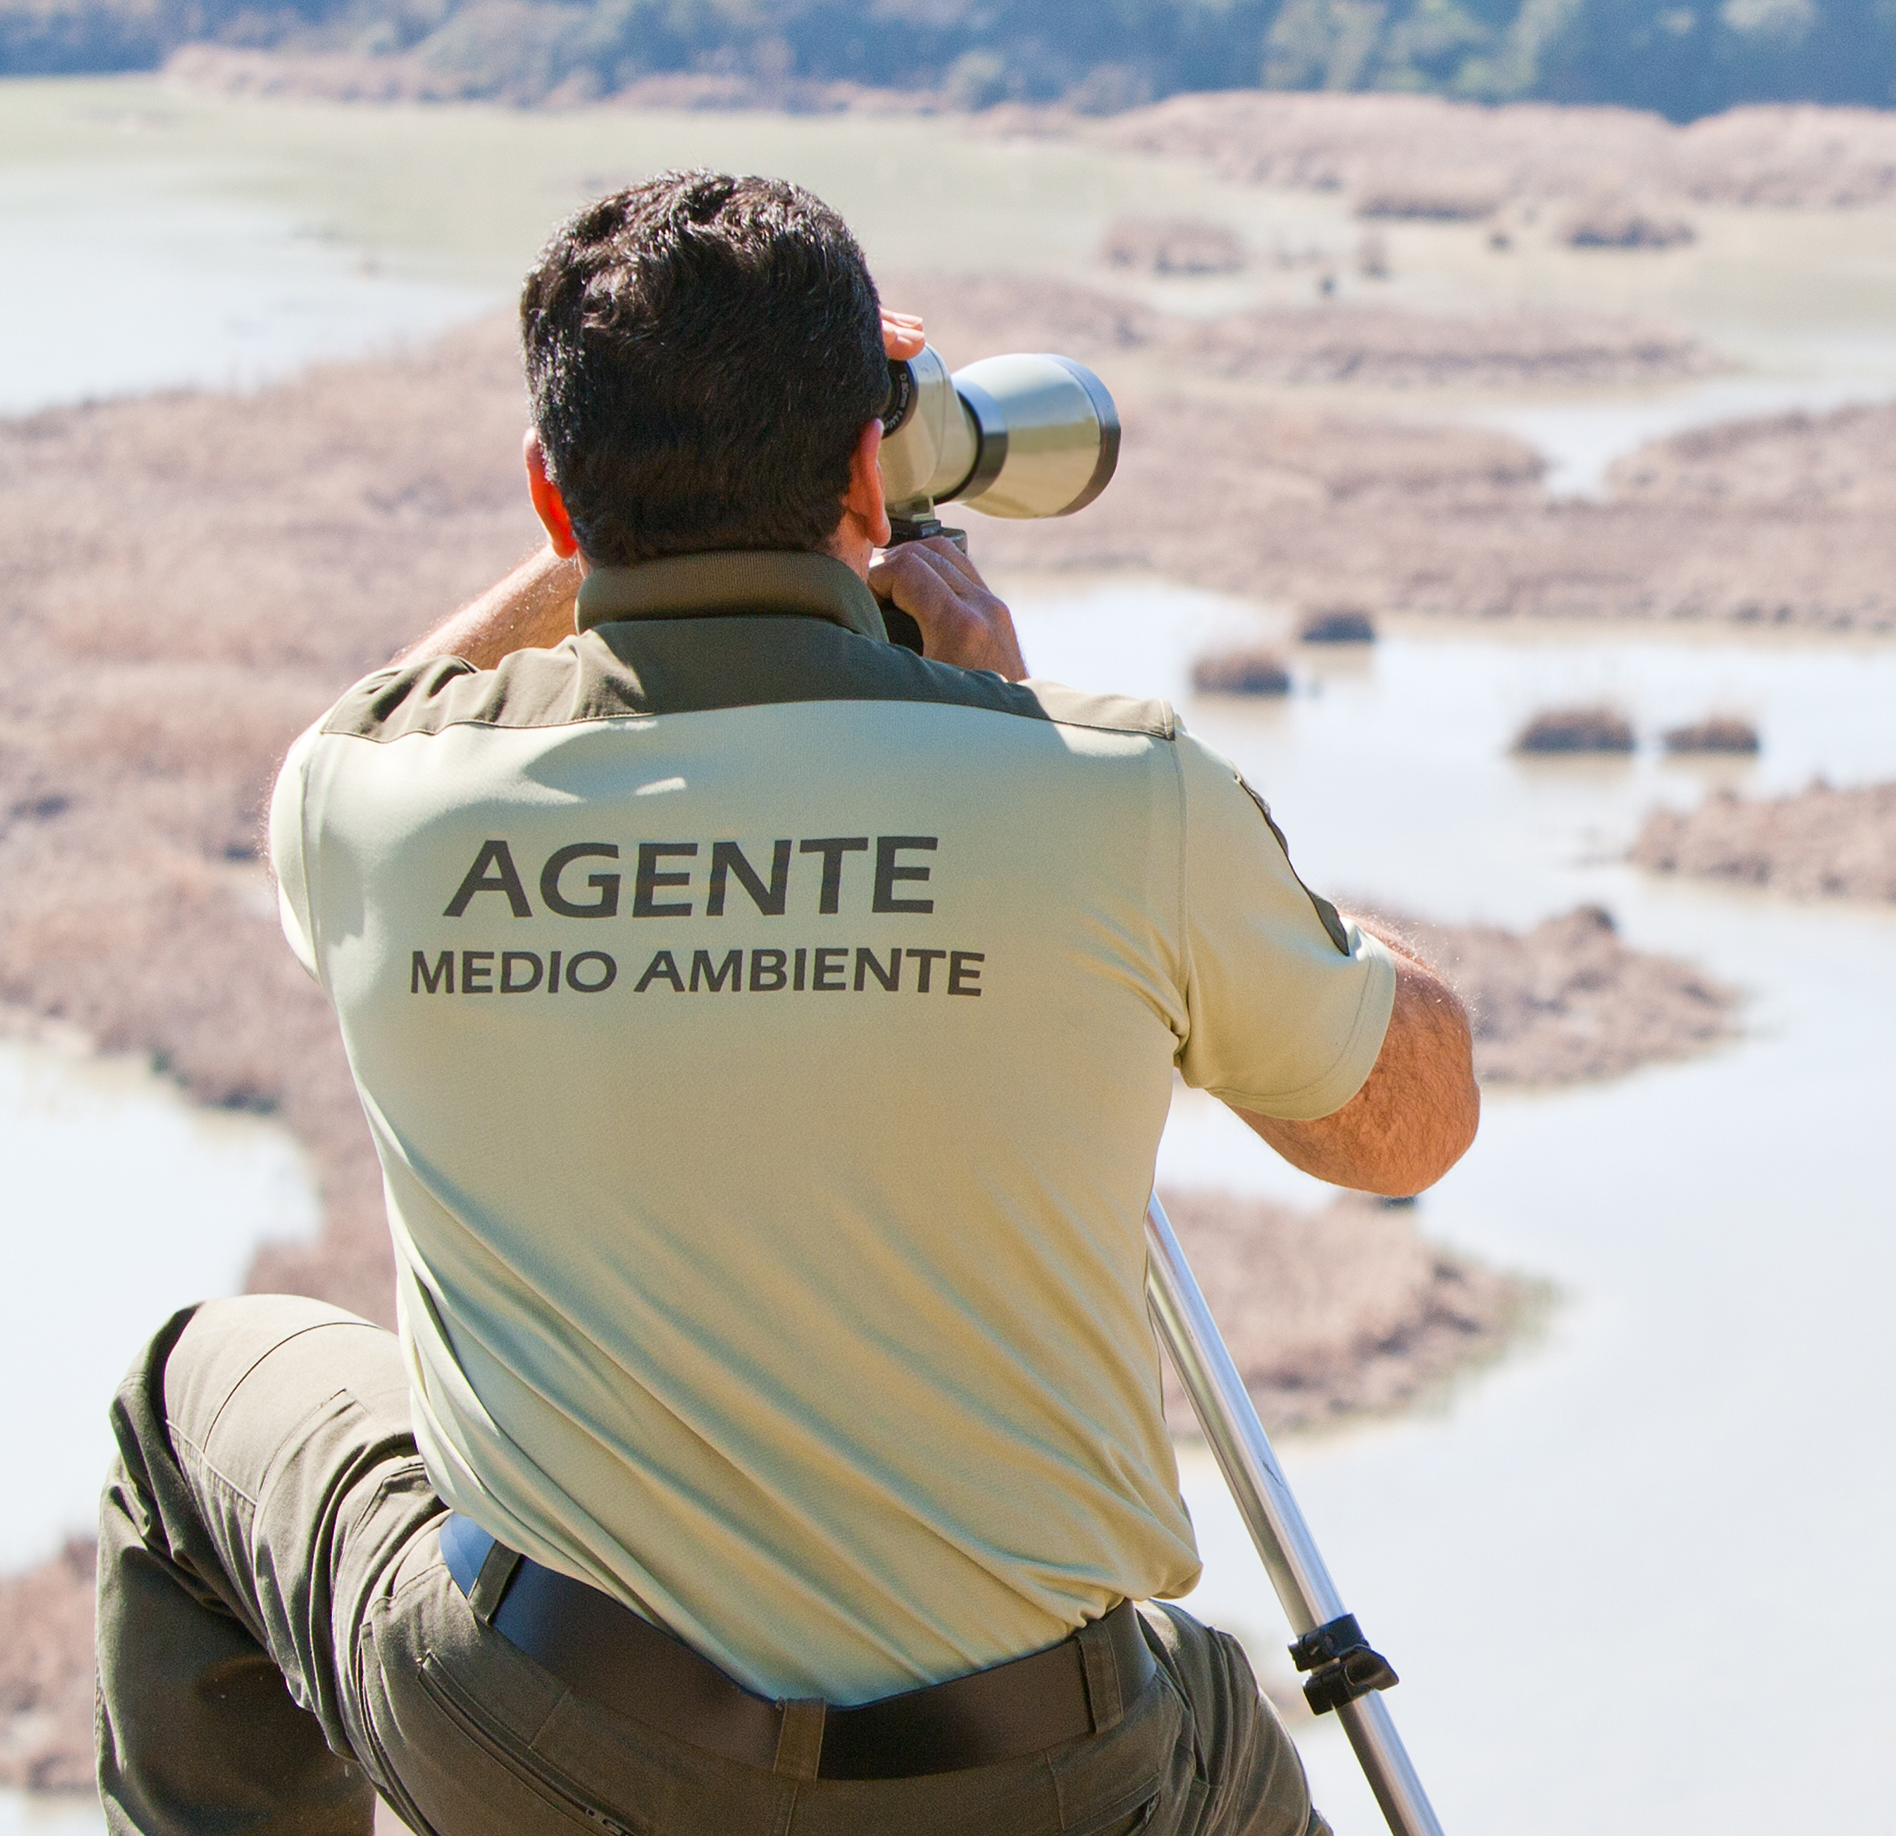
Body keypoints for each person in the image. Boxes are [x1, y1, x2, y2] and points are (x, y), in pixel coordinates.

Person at [92, 171, 1479, 1834]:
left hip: (545, 1743)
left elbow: (383, 712)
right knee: (1217, 1739)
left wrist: (608, 521)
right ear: (860, 469)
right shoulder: (1115, 804)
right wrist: (1006, 728)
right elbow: (1413, 1125)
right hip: (1041, 1779)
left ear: (550, 493)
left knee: (190, 1403)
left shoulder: (377, 807)